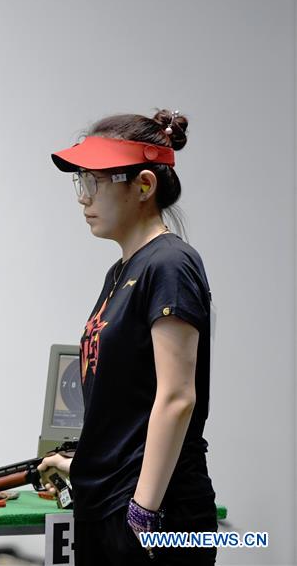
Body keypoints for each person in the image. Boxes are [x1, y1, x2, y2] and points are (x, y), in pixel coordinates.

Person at [38, 110, 216, 565]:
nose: (83, 197)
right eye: (80, 182)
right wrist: (84, 465)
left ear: (143, 185)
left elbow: (177, 397)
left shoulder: (170, 264)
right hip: (109, 505)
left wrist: (143, 512)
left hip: (154, 515)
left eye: (94, 182)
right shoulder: (120, 272)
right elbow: (126, 403)